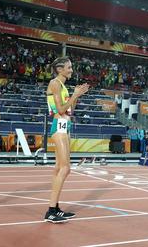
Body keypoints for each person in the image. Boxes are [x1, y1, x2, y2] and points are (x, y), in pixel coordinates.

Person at [44, 57, 89, 224]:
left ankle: (55, 208)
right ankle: (50, 211)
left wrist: (77, 96)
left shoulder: (62, 86)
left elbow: (70, 110)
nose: (71, 70)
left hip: (65, 126)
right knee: (65, 168)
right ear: (59, 69)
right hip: (59, 126)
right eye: (69, 67)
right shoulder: (55, 83)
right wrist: (75, 94)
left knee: (59, 168)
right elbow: (61, 110)